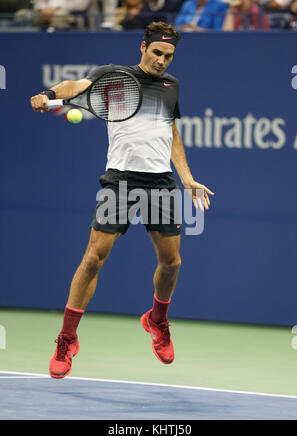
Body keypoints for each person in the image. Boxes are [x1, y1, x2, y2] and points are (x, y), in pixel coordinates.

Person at [30, 21, 214, 379]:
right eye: (157, 52)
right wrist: (48, 93)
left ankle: (157, 320)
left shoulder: (170, 87)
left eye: (169, 56)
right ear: (142, 48)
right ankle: (67, 339)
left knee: (172, 262)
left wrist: (187, 178)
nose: (162, 60)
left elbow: (171, 133)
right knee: (93, 258)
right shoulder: (113, 76)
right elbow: (75, 87)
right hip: (120, 181)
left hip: (160, 182)